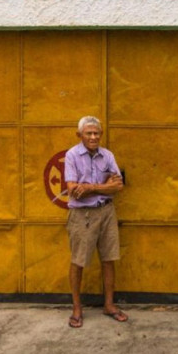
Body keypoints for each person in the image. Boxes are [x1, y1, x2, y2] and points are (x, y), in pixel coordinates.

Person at [64, 116, 127, 328]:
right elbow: (73, 190)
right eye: (89, 133)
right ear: (79, 135)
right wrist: (104, 186)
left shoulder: (107, 155)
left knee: (109, 259)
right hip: (82, 215)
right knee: (78, 261)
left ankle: (109, 305)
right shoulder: (72, 155)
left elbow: (118, 186)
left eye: (96, 133)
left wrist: (90, 187)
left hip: (107, 211)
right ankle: (77, 308)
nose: (93, 137)